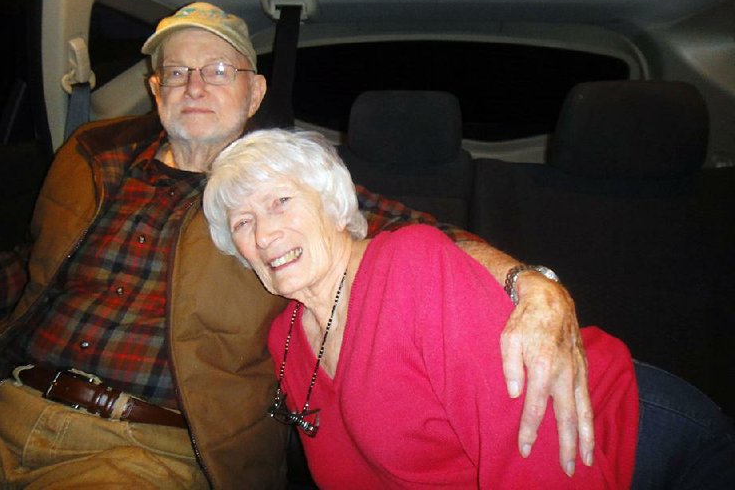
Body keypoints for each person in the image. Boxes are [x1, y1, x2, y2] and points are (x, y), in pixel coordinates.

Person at [0, 2, 590, 489]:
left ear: (253, 92)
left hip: (140, 451)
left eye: (218, 70)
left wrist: (534, 284)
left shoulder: (286, 200)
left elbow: (433, 242)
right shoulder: (91, 160)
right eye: (178, 72)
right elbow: (26, 272)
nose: (195, 85)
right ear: (156, 90)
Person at [203, 128, 735, 489]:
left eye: (280, 201)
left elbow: (538, 458)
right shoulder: (287, 339)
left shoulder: (410, 268)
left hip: (636, 438)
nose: (265, 232)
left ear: (333, 204)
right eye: (243, 223)